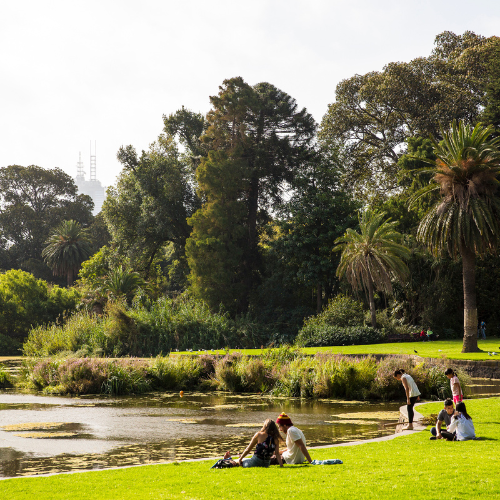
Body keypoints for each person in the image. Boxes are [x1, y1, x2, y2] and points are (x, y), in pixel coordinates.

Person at [219, 419, 284, 468]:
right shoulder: (275, 439)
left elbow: (248, 449)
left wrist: (240, 459)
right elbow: (277, 453)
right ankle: (233, 458)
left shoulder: (259, 435)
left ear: (265, 426)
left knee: (239, 462)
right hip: (266, 463)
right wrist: (281, 465)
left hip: (256, 461)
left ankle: (229, 460)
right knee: (245, 460)